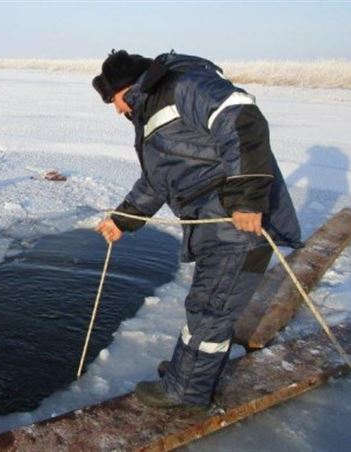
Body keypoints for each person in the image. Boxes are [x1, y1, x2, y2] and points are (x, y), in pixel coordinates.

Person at [92, 50, 302, 410]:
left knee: (210, 310)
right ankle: (187, 372)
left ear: (126, 89)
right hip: (216, 225)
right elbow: (157, 182)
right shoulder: (154, 110)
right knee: (206, 305)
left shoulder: (184, 86)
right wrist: (122, 219)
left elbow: (240, 115)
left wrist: (247, 197)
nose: (117, 111)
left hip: (233, 224)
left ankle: (186, 392)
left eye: (113, 101)